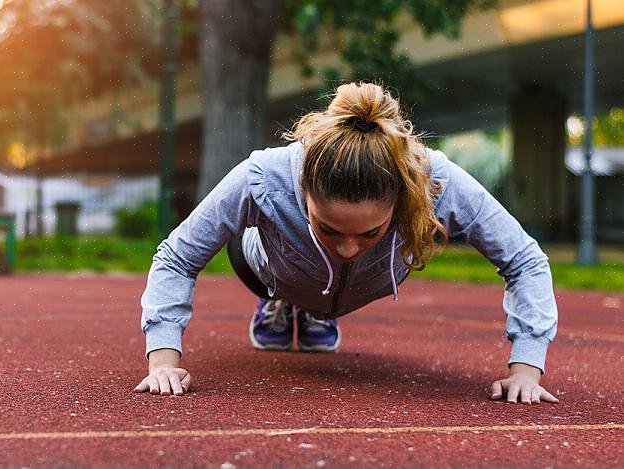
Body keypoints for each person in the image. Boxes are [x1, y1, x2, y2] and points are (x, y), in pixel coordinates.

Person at [133, 82, 559, 405]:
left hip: (370, 281)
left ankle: (316, 307)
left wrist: (526, 369)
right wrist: (164, 361)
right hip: (271, 266)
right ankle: (285, 301)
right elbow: (178, 257)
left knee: (351, 259)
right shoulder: (264, 176)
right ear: (304, 187)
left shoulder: (436, 181)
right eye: (330, 228)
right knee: (245, 238)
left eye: (370, 232)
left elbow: (524, 260)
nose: (349, 248)